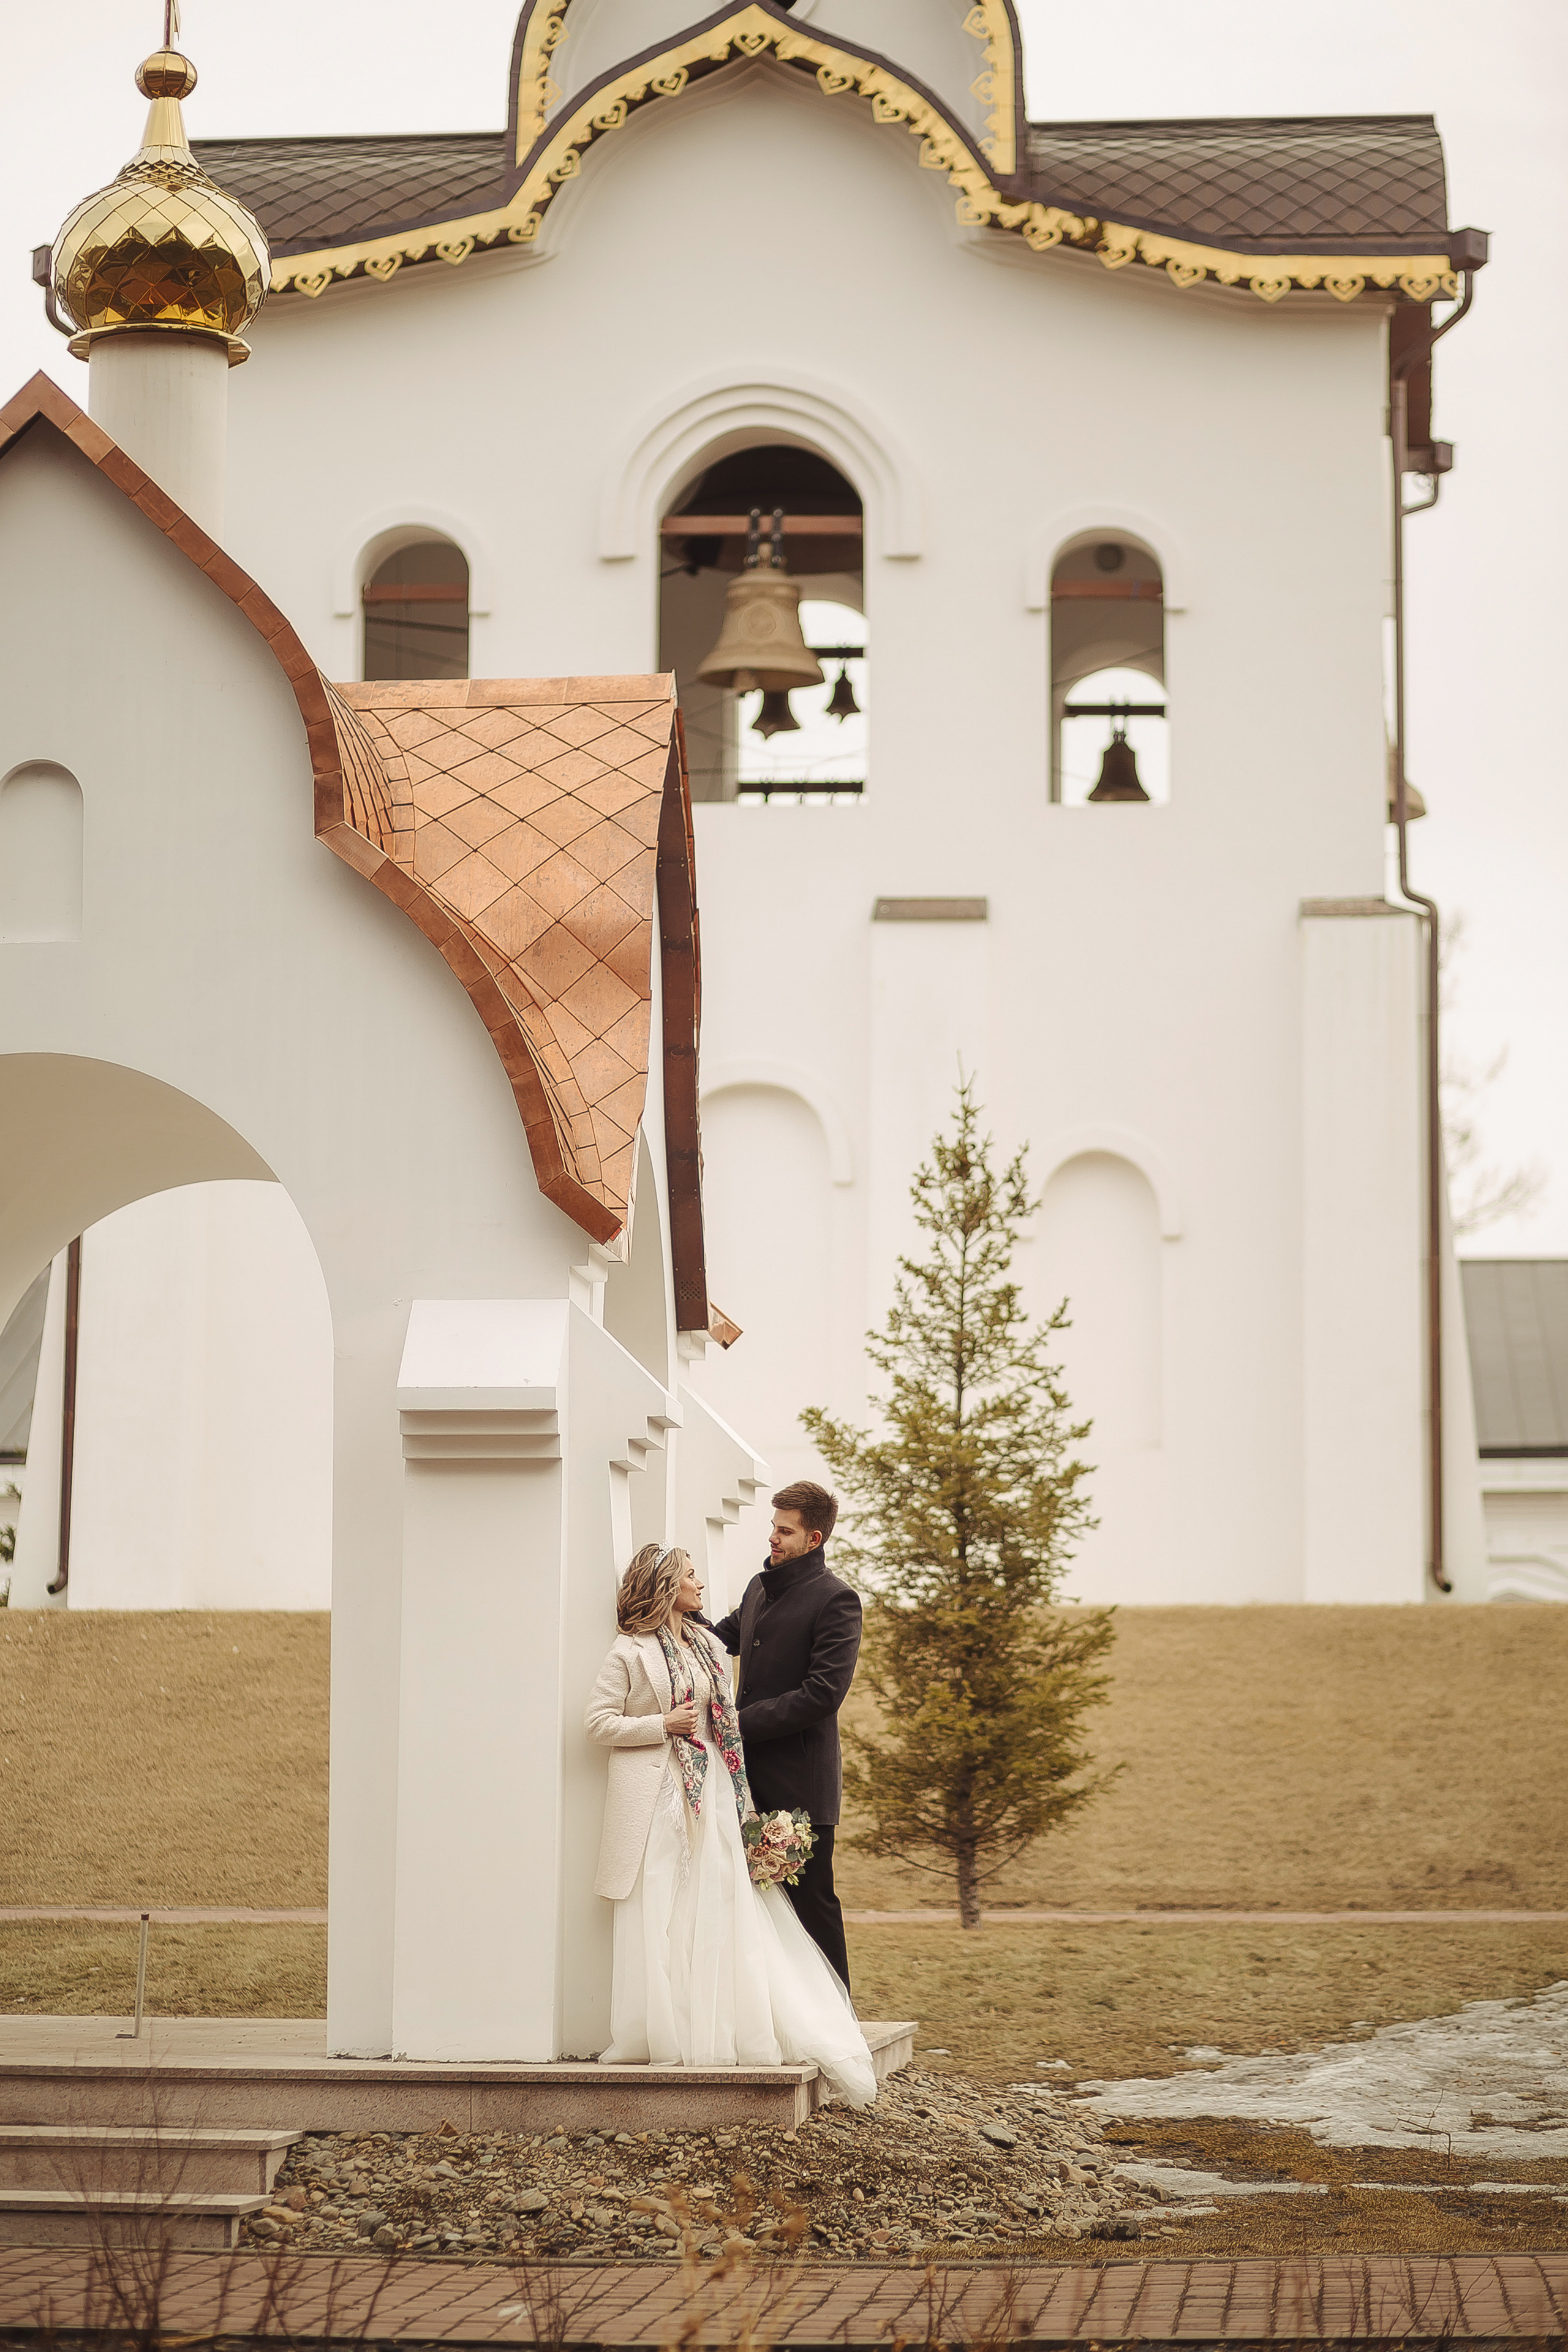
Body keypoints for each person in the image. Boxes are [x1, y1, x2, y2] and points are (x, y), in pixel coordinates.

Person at [585, 1540, 875, 2105]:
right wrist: (659, 1724)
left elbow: (730, 1720)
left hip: (718, 1791)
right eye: (692, 1577)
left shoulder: (710, 1647)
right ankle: (666, 2028)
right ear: (670, 1588)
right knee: (665, 1904)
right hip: (661, 1798)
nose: (701, 1585)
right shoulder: (630, 1652)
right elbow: (597, 1723)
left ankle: (728, 2024)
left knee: (723, 1902)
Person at [707, 1482, 861, 1992]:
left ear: (813, 1539)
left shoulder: (837, 1600)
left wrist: (734, 1723)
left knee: (812, 1902)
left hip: (800, 1785)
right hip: (746, 1779)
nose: (773, 1537)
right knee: (758, 1905)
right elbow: (719, 1638)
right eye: (774, 1527)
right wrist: (667, 1610)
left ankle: (838, 2021)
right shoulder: (758, 1586)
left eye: (784, 1530)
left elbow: (822, 1695)